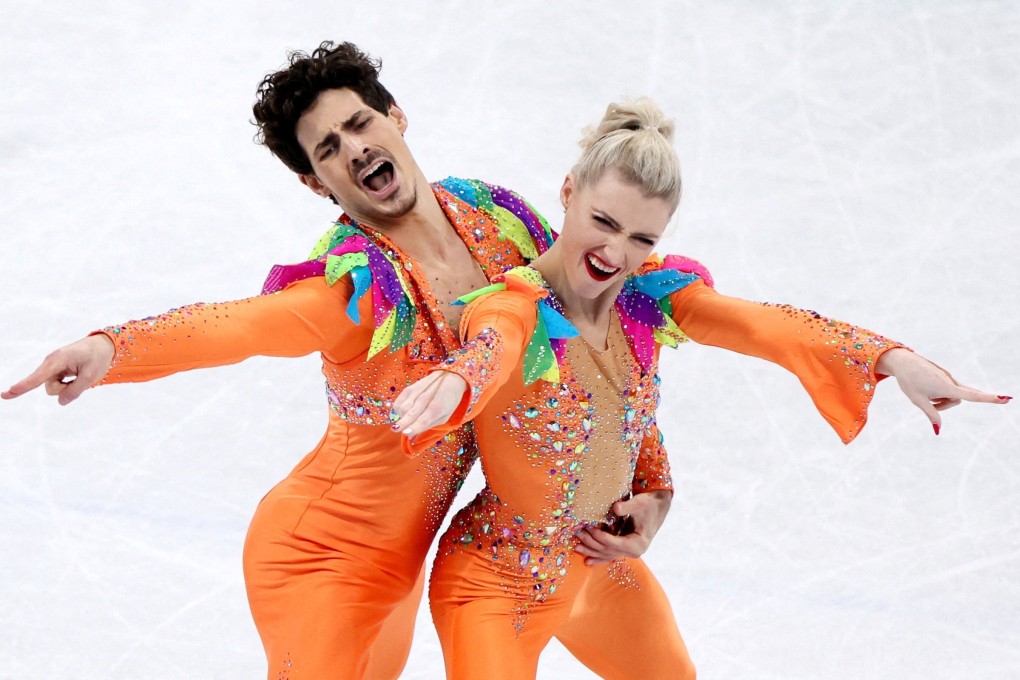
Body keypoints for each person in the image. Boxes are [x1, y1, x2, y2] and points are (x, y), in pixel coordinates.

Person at [0, 43, 671, 679]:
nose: (354, 148)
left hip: (403, 570)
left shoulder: (501, 222)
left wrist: (650, 483)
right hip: (319, 559)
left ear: (396, 117)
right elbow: (238, 328)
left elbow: (596, 350)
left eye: (359, 123)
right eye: (329, 148)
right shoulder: (355, 290)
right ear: (313, 180)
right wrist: (110, 347)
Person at [390, 98, 1012, 679]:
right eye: (603, 222)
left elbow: (754, 328)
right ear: (568, 192)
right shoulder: (513, 305)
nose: (614, 253)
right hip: (494, 581)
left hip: (600, 566)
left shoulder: (646, 301)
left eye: (642, 239)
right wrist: (457, 378)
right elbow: (490, 346)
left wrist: (890, 357)